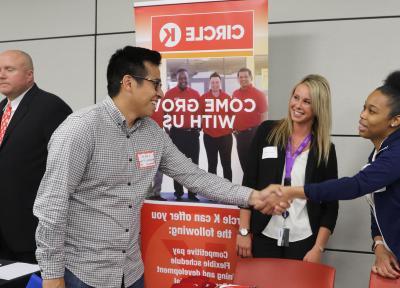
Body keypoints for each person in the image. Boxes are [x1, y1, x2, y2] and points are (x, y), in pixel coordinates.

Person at [33, 46, 282, 288]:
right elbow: (52, 205)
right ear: (128, 83)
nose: (161, 93)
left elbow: (195, 176)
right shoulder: (81, 129)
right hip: (83, 274)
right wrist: (52, 274)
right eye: (156, 83)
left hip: (130, 271)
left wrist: (252, 196)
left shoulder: (153, 133)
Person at [279, 69, 400, 278]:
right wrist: (379, 246)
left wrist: (293, 192)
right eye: (364, 108)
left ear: (395, 120)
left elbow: (356, 186)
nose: (362, 115)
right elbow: (376, 206)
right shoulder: (378, 155)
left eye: (372, 111)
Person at [236, 75, 339, 263]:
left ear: (318, 108)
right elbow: (248, 183)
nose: (298, 105)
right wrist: (243, 231)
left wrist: (318, 248)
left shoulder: (325, 149)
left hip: (303, 238)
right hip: (264, 233)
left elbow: (331, 205)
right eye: (296, 97)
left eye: (307, 101)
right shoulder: (267, 131)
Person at [0, 50, 72, 264]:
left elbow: (67, 168)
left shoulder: (51, 108)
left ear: (29, 75)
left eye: (9, 70)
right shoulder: (2, 109)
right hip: (3, 234)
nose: (1, 75)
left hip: (32, 233)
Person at [151, 68, 202, 201]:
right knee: (177, 164)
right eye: (180, 78)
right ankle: (178, 193)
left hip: (192, 135)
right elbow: (164, 114)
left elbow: (201, 113)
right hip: (177, 134)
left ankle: (192, 193)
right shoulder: (169, 94)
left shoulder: (196, 94)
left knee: (193, 166)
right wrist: (169, 130)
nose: (183, 80)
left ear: (188, 79)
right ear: (177, 80)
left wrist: (198, 127)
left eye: (185, 78)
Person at [232, 68, 268, 175]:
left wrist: (261, 134)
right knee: (244, 164)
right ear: (238, 79)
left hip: (253, 134)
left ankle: (255, 190)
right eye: (241, 77)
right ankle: (249, 189)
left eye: (246, 77)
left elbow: (264, 115)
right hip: (239, 136)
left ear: (251, 78)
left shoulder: (258, 94)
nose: (243, 79)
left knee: (254, 165)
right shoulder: (235, 93)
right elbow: (234, 112)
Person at [201, 72, 233, 181]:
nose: (215, 84)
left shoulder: (227, 98)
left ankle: (229, 192)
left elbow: (232, 115)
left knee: (226, 165)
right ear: (210, 83)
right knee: (212, 165)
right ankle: (213, 192)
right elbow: (199, 115)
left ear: (220, 83)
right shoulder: (203, 98)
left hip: (225, 137)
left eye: (217, 82)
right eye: (213, 82)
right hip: (209, 137)